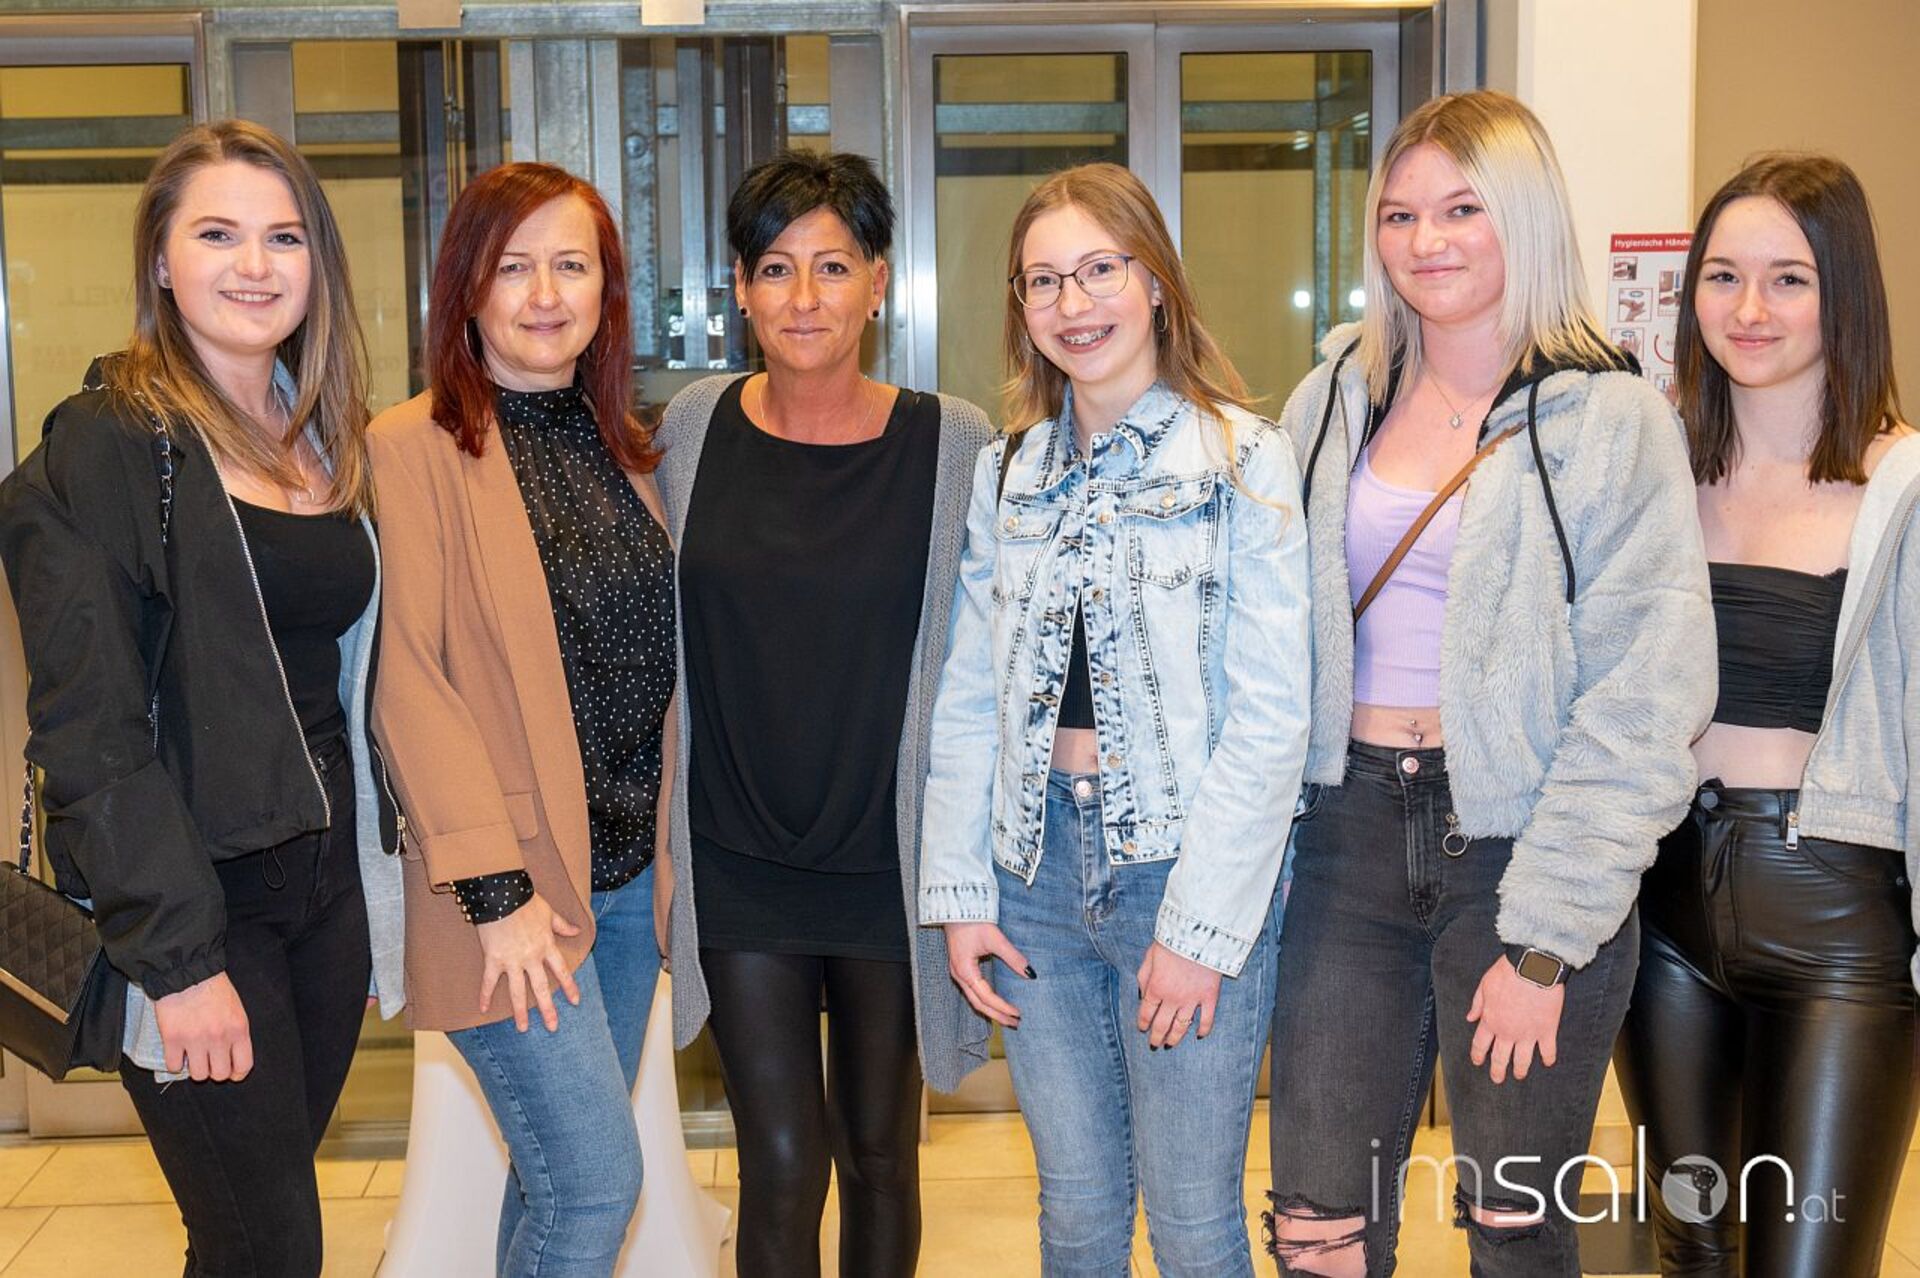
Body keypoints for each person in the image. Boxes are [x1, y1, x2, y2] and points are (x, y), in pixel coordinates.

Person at [1260, 90, 1715, 1277]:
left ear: (1525, 216)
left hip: (1524, 847)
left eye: (1463, 209)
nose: (1427, 240)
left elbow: (1646, 698)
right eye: (1401, 213)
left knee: (1515, 1230)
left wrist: (1548, 942)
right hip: (1345, 838)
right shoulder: (1329, 403)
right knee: (1317, 1231)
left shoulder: (1613, 419)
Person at [0, 119, 405, 1276]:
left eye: (285, 237)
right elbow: (89, 732)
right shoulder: (110, 446)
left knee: (248, 1235)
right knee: (269, 1246)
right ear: (162, 262)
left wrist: (371, 892)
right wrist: (176, 965)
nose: (255, 265)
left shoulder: (322, 436)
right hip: (195, 900)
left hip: (323, 896)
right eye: (218, 234)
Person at [919, 161, 1311, 1277]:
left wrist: (1201, 929)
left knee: (1192, 1224)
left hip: (1181, 870)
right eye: (1043, 281)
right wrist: (961, 894)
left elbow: (1273, 717)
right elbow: (969, 695)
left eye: (1099, 270)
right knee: (1078, 1215)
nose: (1073, 303)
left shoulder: (1243, 458)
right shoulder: (1010, 472)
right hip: (1033, 876)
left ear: (1154, 283)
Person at [653, 149, 991, 1278]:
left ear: (879, 284)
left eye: (834, 267)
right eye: (777, 268)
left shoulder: (954, 444)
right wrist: (660, 847)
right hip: (738, 858)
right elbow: (657, 647)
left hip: (890, 863)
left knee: (881, 1153)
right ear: (740, 290)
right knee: (783, 1163)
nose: (805, 298)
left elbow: (991, 656)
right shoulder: (693, 429)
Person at [1614, 153, 1920, 1276]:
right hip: (1658, 916)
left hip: (1839, 922)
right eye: (1723, 276)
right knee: (1692, 1249)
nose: (1749, 309)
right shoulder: (1649, 471)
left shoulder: (1903, 487)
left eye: (1789, 279)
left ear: (1846, 292)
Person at [369, 162, 673, 1277]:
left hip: (625, 882)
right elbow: (408, 683)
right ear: (467, 288)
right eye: (514, 267)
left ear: (606, 292)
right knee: (594, 1184)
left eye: (572, 266)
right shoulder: (411, 445)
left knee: (557, 1182)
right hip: (506, 888)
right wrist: (497, 897)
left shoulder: (626, 447)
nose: (546, 294)